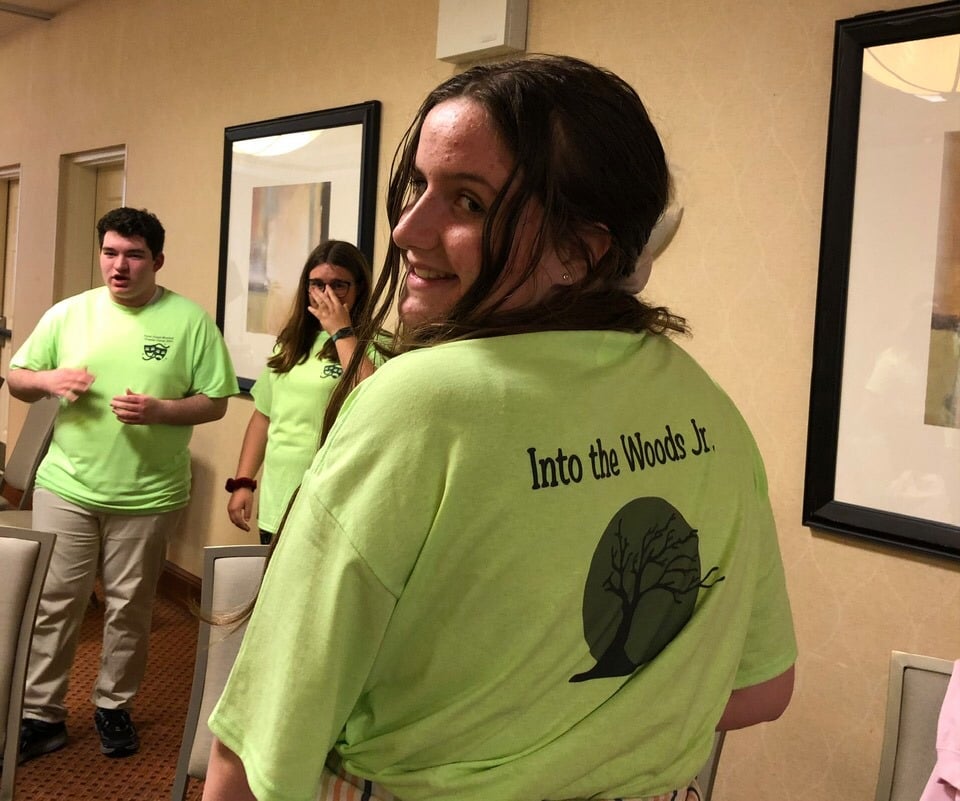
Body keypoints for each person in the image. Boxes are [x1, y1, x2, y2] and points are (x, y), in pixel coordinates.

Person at [204, 55, 797, 801]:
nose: (407, 227)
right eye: (417, 185)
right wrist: (581, 739)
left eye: (469, 202)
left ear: (580, 250)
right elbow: (763, 687)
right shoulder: (707, 405)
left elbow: (256, 749)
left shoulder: (419, 403)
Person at [7, 207, 238, 762]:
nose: (120, 265)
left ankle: (114, 706)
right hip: (67, 485)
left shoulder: (189, 321)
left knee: (129, 607)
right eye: (110, 253)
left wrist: (162, 410)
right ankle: (42, 714)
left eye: (134, 255)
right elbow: (17, 377)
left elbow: (215, 401)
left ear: (157, 261)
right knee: (56, 603)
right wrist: (47, 380)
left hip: (149, 494)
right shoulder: (69, 313)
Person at [226, 240, 385, 544]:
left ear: (359, 288)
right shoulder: (291, 343)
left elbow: (374, 401)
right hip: (279, 500)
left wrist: (340, 332)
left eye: (338, 285)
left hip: (334, 503)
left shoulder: (376, 345)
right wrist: (243, 481)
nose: (326, 294)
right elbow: (264, 417)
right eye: (317, 284)